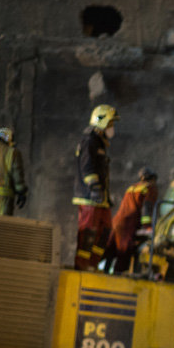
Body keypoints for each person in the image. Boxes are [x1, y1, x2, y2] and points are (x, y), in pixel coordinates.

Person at [72, 104, 119, 270]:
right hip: (89, 197)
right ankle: (82, 264)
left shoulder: (99, 143)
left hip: (100, 198)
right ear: (102, 122)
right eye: (111, 124)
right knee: (88, 232)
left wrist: (103, 193)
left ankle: (93, 263)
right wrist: (94, 188)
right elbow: (87, 167)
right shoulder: (89, 141)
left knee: (105, 230)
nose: (112, 128)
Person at [106, 167, 158, 274]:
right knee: (124, 253)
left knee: (111, 250)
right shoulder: (149, 188)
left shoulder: (132, 187)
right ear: (152, 179)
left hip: (117, 221)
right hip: (128, 225)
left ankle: (105, 272)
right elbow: (146, 208)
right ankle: (118, 279)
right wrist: (147, 226)